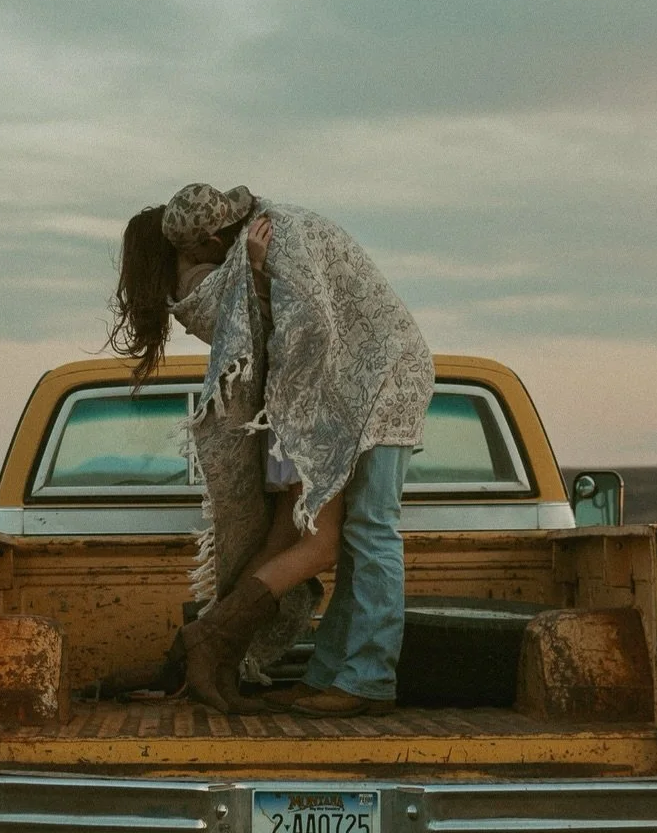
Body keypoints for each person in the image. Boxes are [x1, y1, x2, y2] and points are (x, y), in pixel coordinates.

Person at [108, 183, 434, 717]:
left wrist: (300, 424)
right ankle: (328, 675)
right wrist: (256, 281)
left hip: (383, 379)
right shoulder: (249, 246)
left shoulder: (280, 233)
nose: (190, 267)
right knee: (346, 537)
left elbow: (306, 330)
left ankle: (367, 680)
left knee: (371, 526)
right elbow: (280, 329)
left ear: (213, 237)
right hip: (337, 386)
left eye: (192, 255)